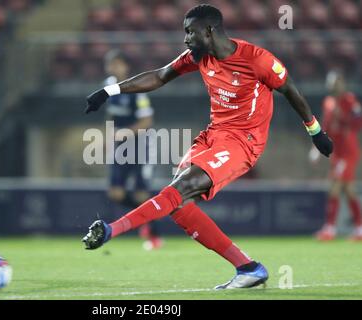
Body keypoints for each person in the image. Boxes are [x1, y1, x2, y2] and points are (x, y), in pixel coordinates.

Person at [82, 4, 333, 289]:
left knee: (176, 192)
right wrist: (109, 90)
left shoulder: (257, 59)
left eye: (190, 32)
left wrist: (315, 131)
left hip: (243, 142)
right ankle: (248, 268)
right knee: (178, 204)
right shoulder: (198, 57)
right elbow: (161, 75)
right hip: (213, 136)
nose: (186, 39)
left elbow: (290, 90)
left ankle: (113, 229)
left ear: (210, 31)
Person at [102, 49, 163, 250]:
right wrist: (109, 137)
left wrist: (124, 133)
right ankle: (145, 219)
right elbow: (111, 116)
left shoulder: (137, 88)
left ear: (126, 66)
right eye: (111, 64)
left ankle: (153, 234)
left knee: (140, 194)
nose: (113, 68)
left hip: (141, 145)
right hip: (121, 147)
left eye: (117, 64)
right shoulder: (108, 87)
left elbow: (147, 120)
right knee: (116, 193)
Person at [311, 70, 362, 241]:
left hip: (348, 151)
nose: (336, 85)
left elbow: (358, 120)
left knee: (335, 187)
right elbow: (324, 126)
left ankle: (330, 229)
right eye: (333, 82)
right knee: (348, 190)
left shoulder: (348, 100)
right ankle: (360, 229)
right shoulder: (329, 102)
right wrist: (316, 148)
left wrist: (345, 120)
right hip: (337, 152)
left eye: (338, 82)